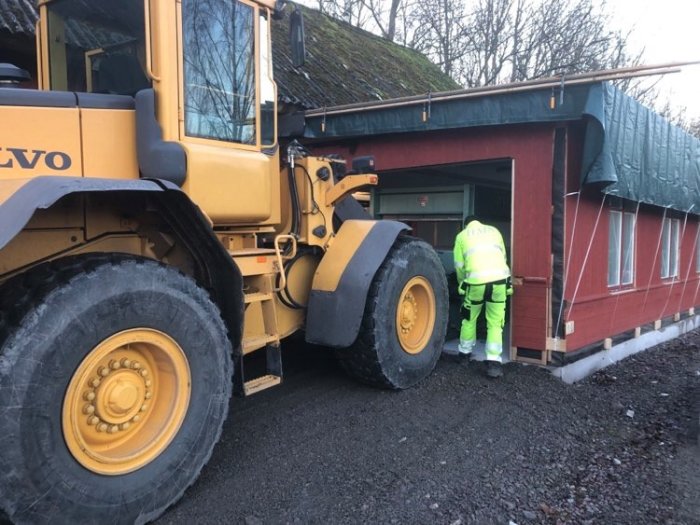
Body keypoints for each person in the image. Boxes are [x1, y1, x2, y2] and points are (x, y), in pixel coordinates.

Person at [453, 215, 512, 378]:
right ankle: (494, 363)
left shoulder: (462, 236)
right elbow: (504, 258)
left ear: (466, 225)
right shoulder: (494, 231)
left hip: (475, 284)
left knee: (469, 319)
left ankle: (464, 355)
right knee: (495, 323)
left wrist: (461, 285)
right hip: (499, 283)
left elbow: (459, 266)